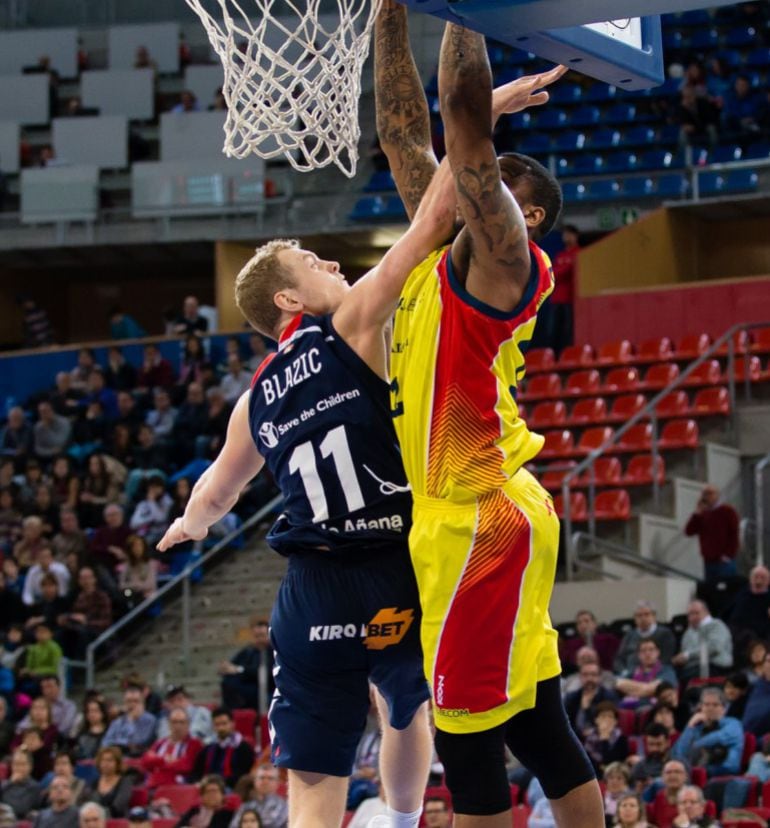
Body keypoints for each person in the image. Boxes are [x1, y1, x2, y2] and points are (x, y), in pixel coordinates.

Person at [159, 116, 456, 828]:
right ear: (289, 301)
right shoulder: (354, 322)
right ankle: (398, 819)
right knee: (404, 706)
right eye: (315, 264)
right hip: (393, 564)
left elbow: (217, 491)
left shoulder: (253, 396)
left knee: (313, 779)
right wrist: (481, 123)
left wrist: (188, 525)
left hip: (314, 591)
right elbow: (433, 224)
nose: (333, 265)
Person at [374, 4, 602, 825]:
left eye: (497, 176)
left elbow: (465, 122)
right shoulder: (440, 259)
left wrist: (462, 8)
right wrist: (391, 15)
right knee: (541, 729)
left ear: (525, 214)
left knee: (469, 753)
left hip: (479, 525)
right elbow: (406, 137)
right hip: (479, 509)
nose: (474, 173)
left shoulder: (507, 265)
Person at [673, 687, 743, 777]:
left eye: (715, 705)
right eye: (706, 704)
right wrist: (690, 726)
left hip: (724, 770)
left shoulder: (733, 723)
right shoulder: (697, 726)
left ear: (724, 709)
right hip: (697, 770)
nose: (710, 708)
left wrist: (695, 745)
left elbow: (719, 738)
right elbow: (680, 753)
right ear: (701, 707)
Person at [684, 485, 739, 582]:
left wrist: (728, 555)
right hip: (709, 561)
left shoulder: (727, 511)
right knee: (711, 590)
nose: (706, 497)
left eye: (710, 493)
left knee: (726, 588)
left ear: (717, 495)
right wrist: (697, 513)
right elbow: (689, 531)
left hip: (724, 560)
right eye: (704, 494)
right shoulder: (703, 514)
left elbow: (734, 534)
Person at [219, 617, 274, 713]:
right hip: (249, 690)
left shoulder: (274, 652)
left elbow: (267, 673)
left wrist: (240, 670)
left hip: (269, 690)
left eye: (262, 635)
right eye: (256, 636)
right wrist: (225, 667)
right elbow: (231, 665)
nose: (259, 640)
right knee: (227, 682)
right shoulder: (248, 651)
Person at [191, 707, 255, 788]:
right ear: (213, 726)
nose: (221, 728)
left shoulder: (243, 748)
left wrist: (219, 782)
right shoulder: (207, 749)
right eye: (217, 725)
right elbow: (196, 772)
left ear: (232, 724)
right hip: (206, 788)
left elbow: (244, 774)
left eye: (224, 724)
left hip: (233, 788)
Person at [57, 567, 113, 660]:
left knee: (82, 634)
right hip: (79, 628)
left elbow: (106, 621)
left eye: (88, 578)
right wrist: (66, 618)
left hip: (96, 631)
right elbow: (74, 616)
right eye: (82, 578)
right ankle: (65, 665)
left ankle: (81, 668)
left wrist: (86, 622)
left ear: (94, 579)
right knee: (62, 633)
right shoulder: (78, 597)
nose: (85, 581)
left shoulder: (102, 596)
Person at [671, 600, 733, 683]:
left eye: (696, 613)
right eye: (690, 614)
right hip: (691, 668)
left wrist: (687, 655)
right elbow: (684, 651)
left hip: (714, 666)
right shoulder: (688, 632)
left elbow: (714, 647)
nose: (693, 617)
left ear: (706, 612)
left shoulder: (716, 625)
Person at [140, 706, 202, 789]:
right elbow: (145, 762)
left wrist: (157, 763)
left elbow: (186, 765)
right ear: (169, 724)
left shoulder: (194, 744)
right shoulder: (159, 743)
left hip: (179, 789)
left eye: (182, 722)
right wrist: (165, 760)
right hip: (153, 787)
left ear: (188, 724)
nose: (178, 726)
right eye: (174, 722)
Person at [613, 601, 677, 675]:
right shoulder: (629, 635)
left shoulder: (665, 634)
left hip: (655, 674)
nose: (643, 618)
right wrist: (624, 672)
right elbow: (619, 659)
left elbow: (666, 659)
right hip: (629, 673)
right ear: (635, 618)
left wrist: (646, 673)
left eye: (646, 614)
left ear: (654, 616)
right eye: (639, 615)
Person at [545, 224, 579, 356]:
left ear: (575, 236)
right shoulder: (560, 255)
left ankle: (568, 357)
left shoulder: (578, 253)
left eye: (569, 234)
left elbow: (564, 272)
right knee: (552, 331)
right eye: (565, 234)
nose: (566, 237)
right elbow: (552, 274)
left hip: (569, 300)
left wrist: (561, 271)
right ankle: (552, 358)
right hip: (555, 299)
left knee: (568, 331)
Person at [615, 639, 678, 710]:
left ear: (658, 652)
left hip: (656, 709)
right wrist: (644, 689)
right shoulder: (632, 672)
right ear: (639, 655)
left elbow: (651, 689)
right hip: (630, 708)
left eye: (651, 650)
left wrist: (630, 689)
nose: (647, 653)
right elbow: (615, 682)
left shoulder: (667, 671)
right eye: (643, 651)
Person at [101, 685, 157, 757]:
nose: (132, 704)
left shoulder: (150, 720)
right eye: (129, 701)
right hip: (118, 759)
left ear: (143, 703)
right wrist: (125, 744)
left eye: (136, 701)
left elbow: (139, 742)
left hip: (138, 759)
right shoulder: (117, 722)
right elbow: (105, 743)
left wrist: (132, 721)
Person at [1, 749, 42, 819]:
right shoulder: (5, 785)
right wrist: (10, 783)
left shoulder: (34, 787)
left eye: (22, 764)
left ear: (30, 767)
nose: (19, 768)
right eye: (16, 764)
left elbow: (21, 809)